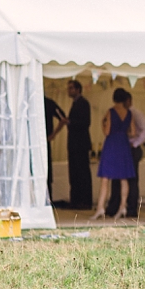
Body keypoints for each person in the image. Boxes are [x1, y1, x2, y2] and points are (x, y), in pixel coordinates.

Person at [92, 88, 136, 220]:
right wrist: (123, 133)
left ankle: (100, 208)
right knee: (124, 178)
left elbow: (107, 131)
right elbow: (133, 133)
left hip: (111, 144)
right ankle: (123, 206)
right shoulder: (129, 113)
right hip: (123, 144)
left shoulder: (110, 112)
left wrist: (102, 123)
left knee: (105, 178)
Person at [107, 92, 145, 218]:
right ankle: (115, 206)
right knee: (117, 179)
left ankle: (131, 208)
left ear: (128, 101)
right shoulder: (117, 112)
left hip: (130, 148)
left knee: (131, 179)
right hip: (121, 148)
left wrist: (135, 143)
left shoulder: (134, 113)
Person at [65, 80, 93, 210]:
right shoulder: (76, 103)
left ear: (77, 89)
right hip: (74, 144)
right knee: (74, 173)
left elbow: (85, 122)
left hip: (80, 144)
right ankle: (75, 200)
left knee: (82, 173)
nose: (69, 91)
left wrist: (70, 122)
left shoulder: (83, 103)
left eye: (71, 88)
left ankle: (85, 201)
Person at [44, 96, 67, 199]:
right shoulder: (48, 102)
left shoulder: (47, 102)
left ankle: (47, 197)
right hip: (42, 140)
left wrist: (53, 134)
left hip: (43, 140)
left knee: (46, 168)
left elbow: (63, 118)